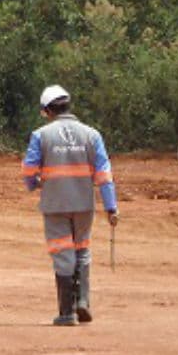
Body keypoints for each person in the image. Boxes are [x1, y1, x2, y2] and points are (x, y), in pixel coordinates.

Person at [21, 85, 118, 325]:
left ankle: (67, 313)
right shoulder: (91, 134)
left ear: (47, 110)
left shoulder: (41, 135)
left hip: (55, 205)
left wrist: (34, 184)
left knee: (62, 252)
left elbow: (28, 170)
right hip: (84, 204)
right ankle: (82, 301)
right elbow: (104, 174)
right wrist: (111, 206)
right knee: (82, 249)